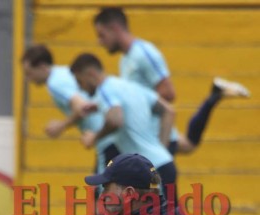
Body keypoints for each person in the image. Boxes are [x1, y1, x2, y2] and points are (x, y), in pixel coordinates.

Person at [70, 53, 237, 215]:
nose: (82, 89)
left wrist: (94, 136)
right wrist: (159, 148)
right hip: (160, 165)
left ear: (89, 73)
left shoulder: (105, 90)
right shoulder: (127, 86)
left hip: (150, 172)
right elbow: (168, 109)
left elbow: (115, 119)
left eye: (81, 82)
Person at [93, 6, 250, 155]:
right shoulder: (124, 59)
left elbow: (168, 93)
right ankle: (213, 97)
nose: (100, 42)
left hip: (155, 135)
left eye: (102, 35)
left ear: (114, 28)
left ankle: (213, 98)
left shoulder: (144, 53)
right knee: (188, 145)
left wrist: (132, 106)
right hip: (145, 133)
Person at [21, 44, 120, 215]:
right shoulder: (64, 73)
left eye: (29, 73)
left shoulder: (55, 82)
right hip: (112, 139)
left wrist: (61, 125)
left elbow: (82, 107)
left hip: (106, 140)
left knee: (100, 207)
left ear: (41, 67)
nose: (29, 80)